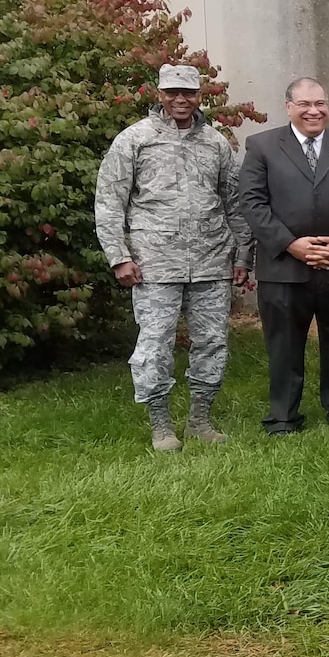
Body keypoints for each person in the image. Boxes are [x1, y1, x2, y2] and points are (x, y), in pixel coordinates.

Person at [93, 63, 251, 452]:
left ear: (200, 95)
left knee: (212, 342)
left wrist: (243, 255)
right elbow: (110, 201)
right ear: (159, 94)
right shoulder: (135, 140)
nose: (181, 100)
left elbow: (235, 203)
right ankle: (161, 425)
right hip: (153, 265)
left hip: (212, 260)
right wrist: (119, 256)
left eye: (189, 93)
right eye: (172, 92)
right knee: (155, 344)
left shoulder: (216, 143)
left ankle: (200, 419)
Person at [239, 76, 329, 435]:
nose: (314, 111)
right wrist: (290, 244)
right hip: (283, 267)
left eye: (320, 104)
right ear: (289, 107)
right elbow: (252, 203)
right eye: (304, 104)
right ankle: (283, 417)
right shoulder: (262, 146)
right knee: (283, 346)